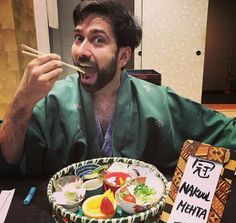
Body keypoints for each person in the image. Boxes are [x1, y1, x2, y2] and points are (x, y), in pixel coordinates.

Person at [0, 0, 236, 177]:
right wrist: (22, 101)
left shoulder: (158, 101)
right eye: (78, 37)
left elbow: (226, 133)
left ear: (123, 56)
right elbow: (8, 158)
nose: (80, 51)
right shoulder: (51, 100)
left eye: (98, 40)